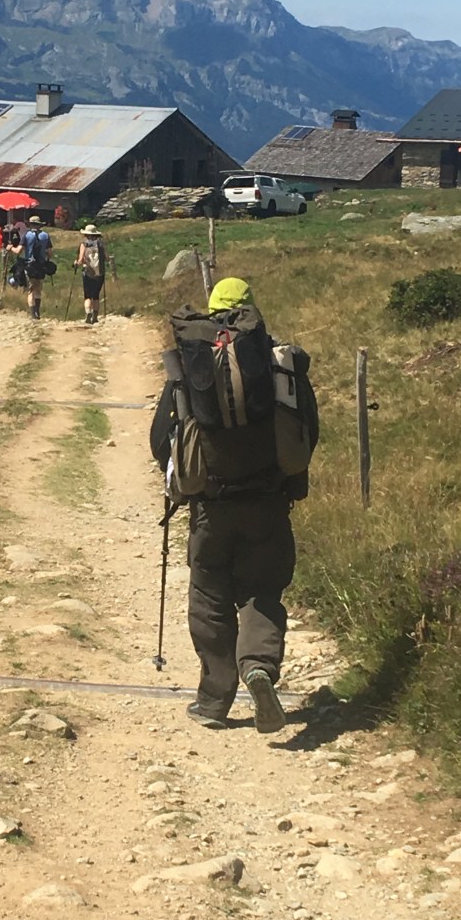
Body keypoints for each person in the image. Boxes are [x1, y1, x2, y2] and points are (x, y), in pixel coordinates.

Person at [150, 277, 317, 736]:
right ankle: (258, 666)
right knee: (262, 589)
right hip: (268, 502)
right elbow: (308, 429)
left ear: (211, 307)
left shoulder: (194, 363)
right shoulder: (277, 363)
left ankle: (213, 698)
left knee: (210, 597)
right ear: (251, 309)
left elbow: (161, 439)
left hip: (211, 506)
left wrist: (178, 481)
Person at [9, 214, 53, 320]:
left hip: (30, 265)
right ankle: (38, 312)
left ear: (30, 224)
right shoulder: (45, 236)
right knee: (38, 289)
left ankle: (33, 314)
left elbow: (18, 251)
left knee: (31, 290)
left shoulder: (27, 235)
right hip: (41, 266)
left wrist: (10, 248)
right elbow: (50, 253)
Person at [73, 223, 107, 324]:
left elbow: (80, 259)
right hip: (99, 273)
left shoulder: (84, 244)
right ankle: (95, 316)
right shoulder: (101, 244)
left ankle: (88, 312)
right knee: (96, 295)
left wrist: (76, 263)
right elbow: (107, 257)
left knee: (87, 295)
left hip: (87, 272)